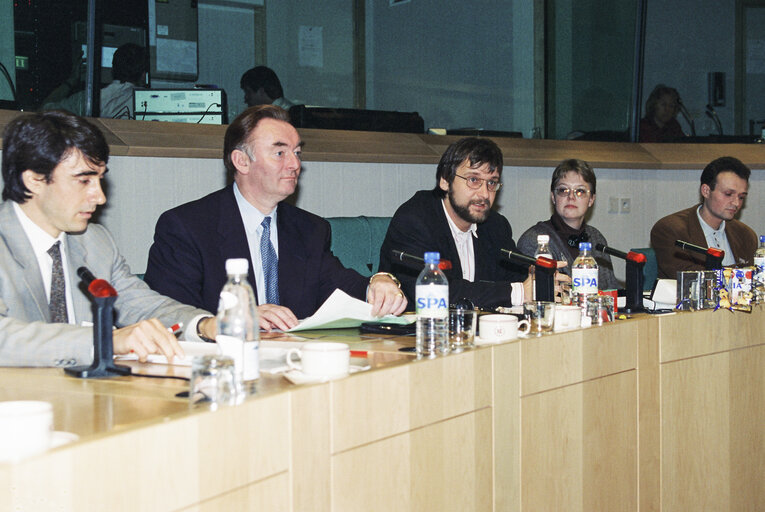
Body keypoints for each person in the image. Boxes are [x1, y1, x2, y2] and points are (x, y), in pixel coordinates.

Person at [144, 105, 406, 330]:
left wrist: (379, 283)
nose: (295, 164)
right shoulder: (187, 227)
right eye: (280, 153)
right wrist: (236, 319)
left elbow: (342, 289)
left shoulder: (310, 229)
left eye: (297, 153)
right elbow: (170, 316)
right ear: (241, 161)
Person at [0, 110, 216, 367]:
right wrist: (104, 340)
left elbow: (144, 306)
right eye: (84, 181)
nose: (100, 197)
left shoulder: (95, 241)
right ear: (34, 180)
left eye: (100, 179)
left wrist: (206, 325)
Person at [379, 137, 537, 309]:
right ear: (445, 181)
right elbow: (436, 292)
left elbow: (517, 277)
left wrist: (539, 278)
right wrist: (519, 292)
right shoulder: (415, 220)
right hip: (418, 332)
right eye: (474, 180)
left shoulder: (496, 225)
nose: (484, 194)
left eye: (491, 182)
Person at [517, 159, 619, 290]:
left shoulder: (596, 238)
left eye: (580, 191)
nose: (571, 196)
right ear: (553, 197)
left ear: (591, 199)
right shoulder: (533, 241)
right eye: (563, 190)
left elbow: (611, 291)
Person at [651, 156, 757, 278]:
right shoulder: (670, 229)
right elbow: (690, 278)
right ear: (706, 191)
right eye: (728, 194)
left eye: (741, 197)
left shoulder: (746, 235)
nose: (736, 203)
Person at [42, 43, 147, 119]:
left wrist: (71, 81)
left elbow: (43, 110)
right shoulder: (149, 101)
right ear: (143, 75)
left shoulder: (87, 99)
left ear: (113, 70)